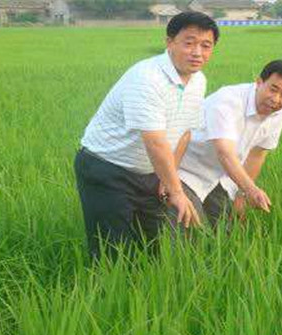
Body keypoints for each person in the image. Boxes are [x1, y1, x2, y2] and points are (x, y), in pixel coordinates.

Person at [74, 12, 219, 260]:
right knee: (113, 251)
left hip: (149, 173)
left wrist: (167, 176)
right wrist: (176, 191)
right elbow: (154, 141)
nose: (198, 52)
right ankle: (110, 293)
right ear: (169, 42)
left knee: (155, 245)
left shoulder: (199, 81)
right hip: (107, 169)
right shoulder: (147, 77)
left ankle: (148, 290)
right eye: (189, 42)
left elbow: (185, 132)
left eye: (206, 45)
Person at [178, 60, 282, 227]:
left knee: (229, 230)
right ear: (259, 82)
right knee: (188, 229)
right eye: (273, 89)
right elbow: (224, 153)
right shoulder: (228, 101)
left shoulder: (277, 112)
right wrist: (251, 190)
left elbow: (257, 155)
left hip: (220, 177)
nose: (276, 99)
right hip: (187, 170)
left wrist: (241, 196)